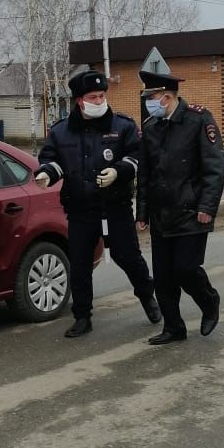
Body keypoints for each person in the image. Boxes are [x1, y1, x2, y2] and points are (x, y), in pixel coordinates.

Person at [35, 69, 161, 337]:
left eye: (102, 95)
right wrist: (47, 173)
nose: (99, 101)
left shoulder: (123, 125)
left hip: (115, 207)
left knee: (128, 257)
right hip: (80, 210)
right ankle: (82, 316)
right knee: (79, 264)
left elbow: (136, 156)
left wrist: (118, 171)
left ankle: (148, 299)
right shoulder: (61, 131)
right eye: (93, 97)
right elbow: (52, 158)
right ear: (79, 101)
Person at [135, 71, 224, 344]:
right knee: (163, 277)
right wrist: (142, 213)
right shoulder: (152, 127)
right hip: (162, 214)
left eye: (151, 98)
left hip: (191, 211)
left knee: (185, 269)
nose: (148, 103)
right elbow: (146, 175)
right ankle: (174, 328)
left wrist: (207, 206)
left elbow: (215, 169)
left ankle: (209, 301)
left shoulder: (198, 120)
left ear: (166, 97)